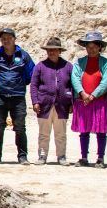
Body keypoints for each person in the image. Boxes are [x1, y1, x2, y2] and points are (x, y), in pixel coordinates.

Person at [0, 28, 35, 165]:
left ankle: (22, 156)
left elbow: (31, 73)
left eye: (8, 38)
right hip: (0, 96)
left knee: (20, 127)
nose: (6, 41)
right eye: (3, 39)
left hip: (18, 96)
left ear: (14, 39)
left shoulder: (23, 55)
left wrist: (19, 84)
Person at [29, 37, 74, 166]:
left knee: (61, 133)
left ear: (60, 51)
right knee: (44, 133)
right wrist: (35, 101)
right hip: (44, 104)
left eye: (54, 50)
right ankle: (42, 156)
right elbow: (34, 85)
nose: (52, 52)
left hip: (62, 105)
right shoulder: (40, 66)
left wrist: (71, 103)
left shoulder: (68, 66)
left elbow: (73, 85)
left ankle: (61, 156)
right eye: (49, 50)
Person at [70, 31, 107, 167]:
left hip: (99, 101)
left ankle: (100, 158)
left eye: (94, 46)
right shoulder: (79, 62)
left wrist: (93, 95)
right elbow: (75, 78)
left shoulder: (106, 63)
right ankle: (84, 157)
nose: (91, 49)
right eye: (89, 46)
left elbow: (106, 81)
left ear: (100, 47)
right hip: (83, 100)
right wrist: (82, 93)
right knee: (84, 130)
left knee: (101, 131)